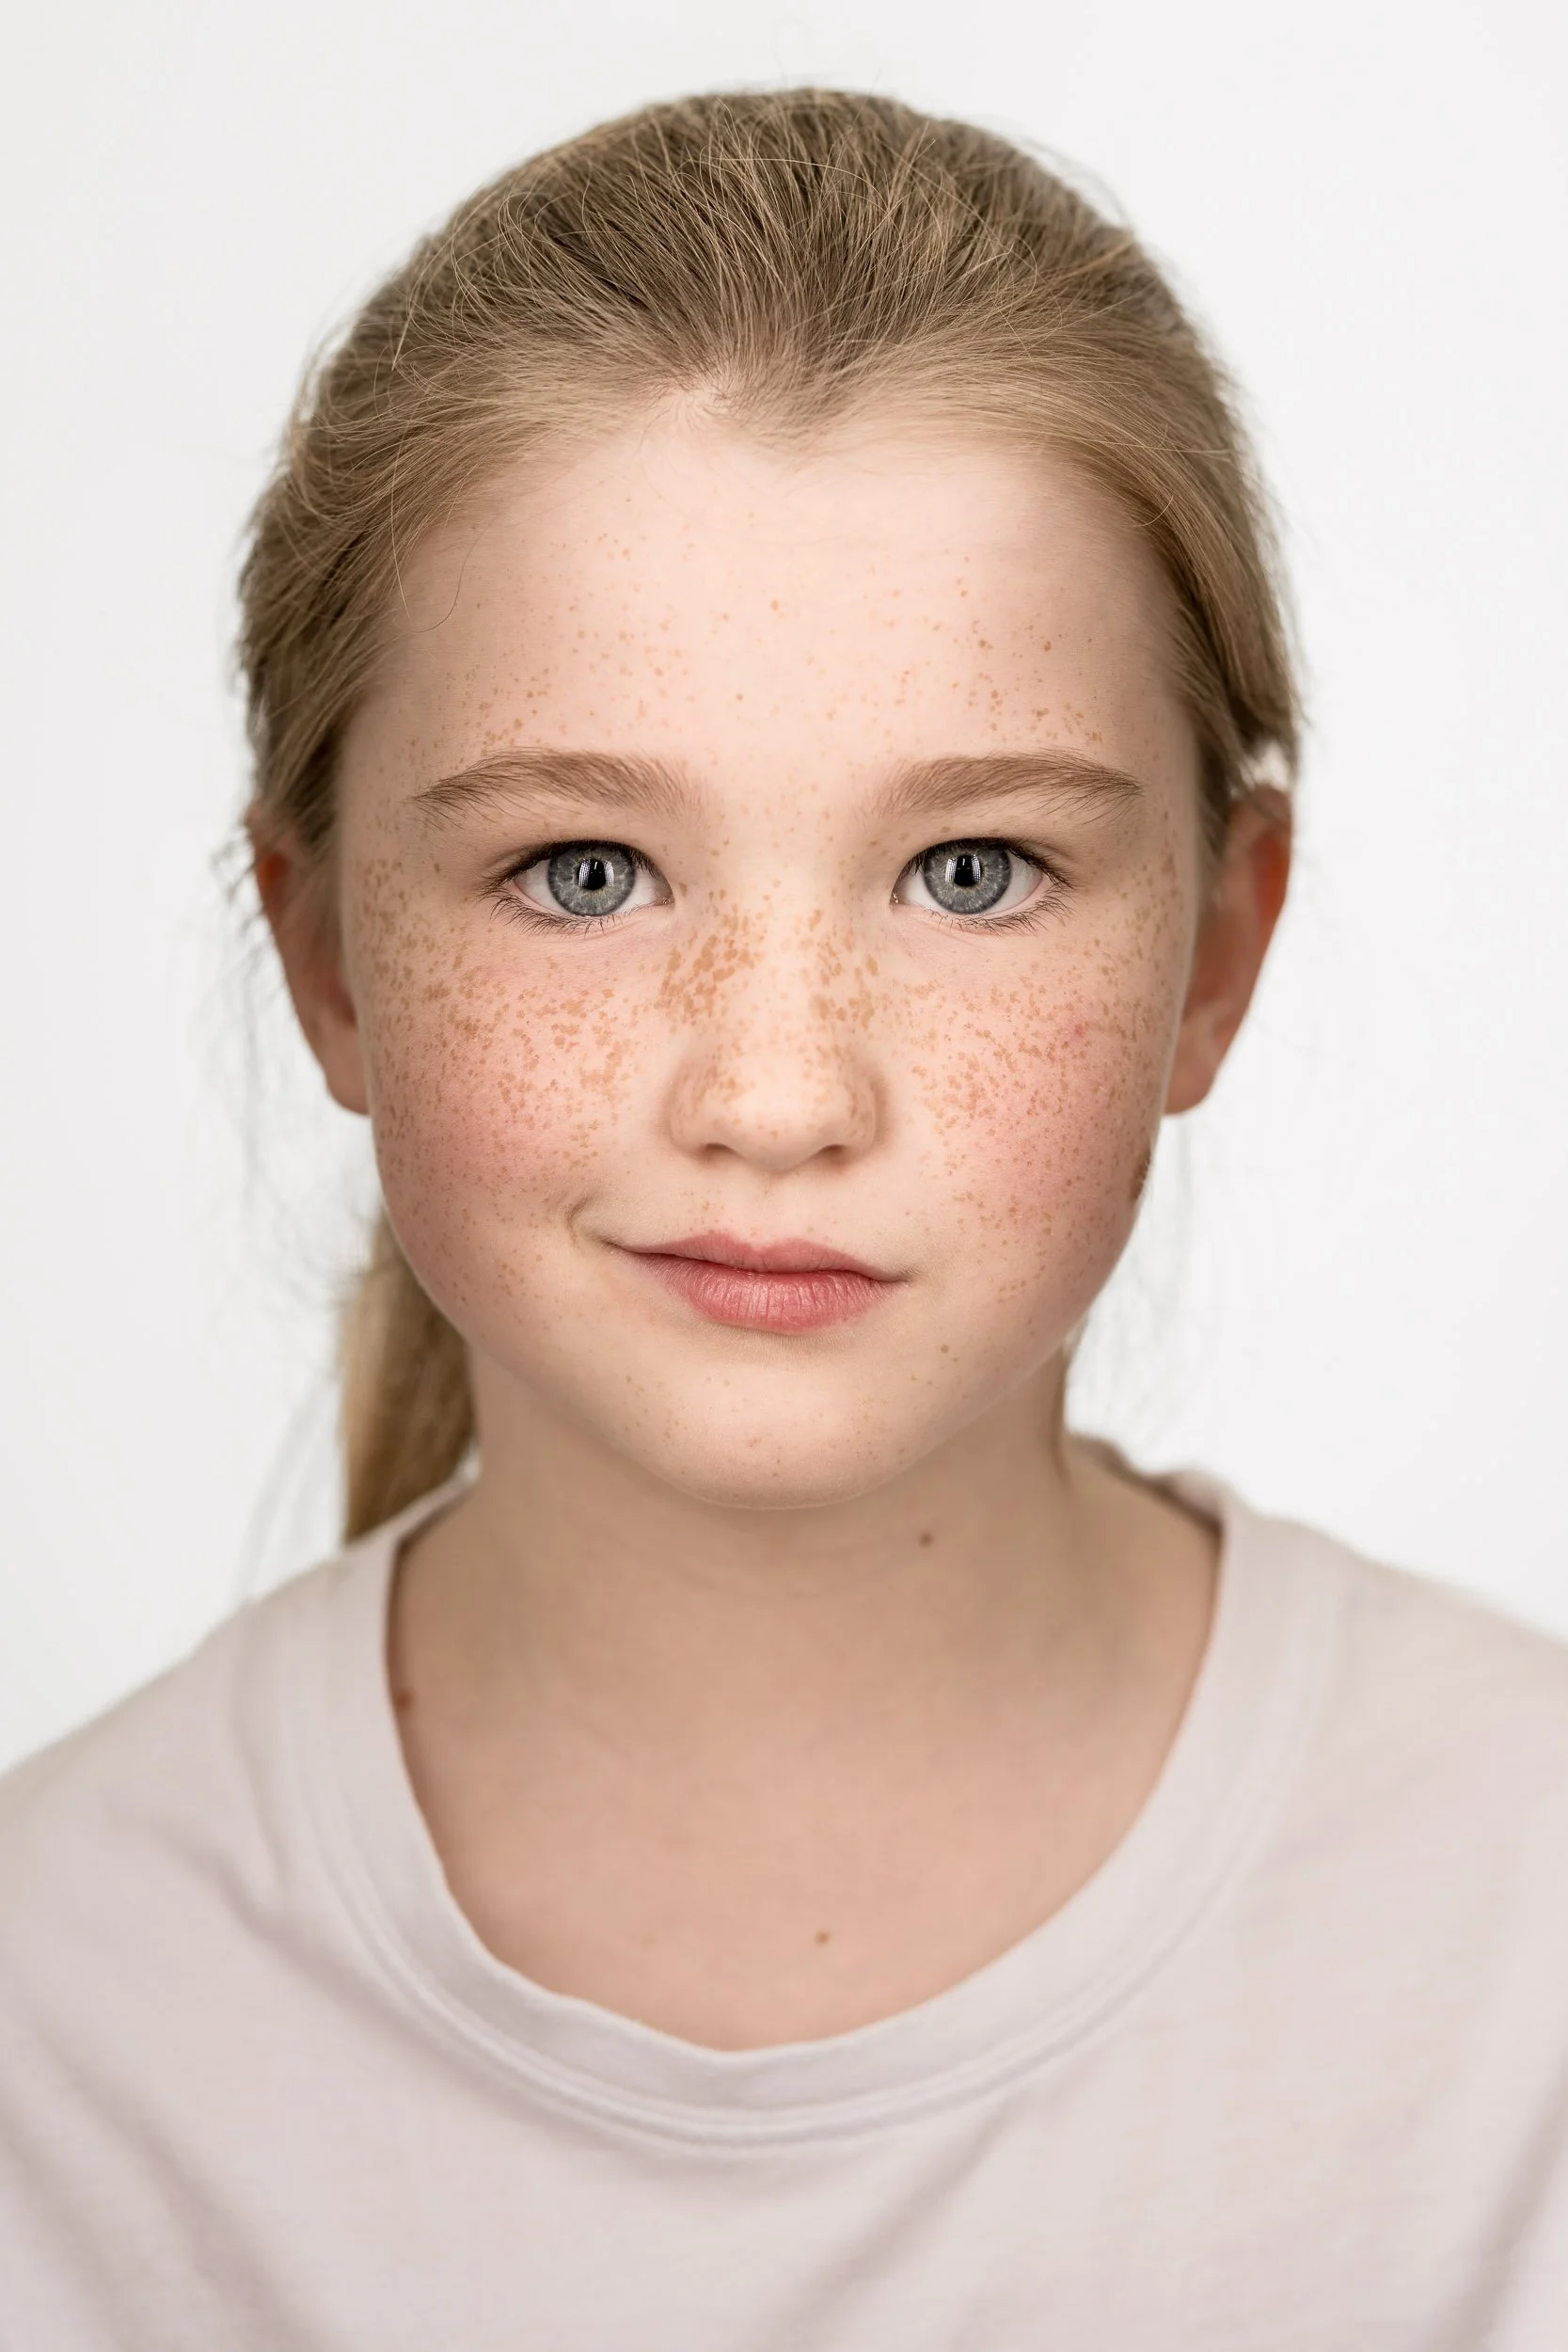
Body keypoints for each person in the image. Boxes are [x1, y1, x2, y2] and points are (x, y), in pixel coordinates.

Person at [2, 87, 1565, 2349]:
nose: (772, 1093)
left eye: (970, 871)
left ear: (1213, 955)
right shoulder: (57, 2026)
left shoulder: (1521, 1943)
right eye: (583, 872)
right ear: (324, 949)